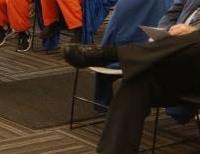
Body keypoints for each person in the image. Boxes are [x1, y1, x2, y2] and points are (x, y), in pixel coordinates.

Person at [63, 30, 200, 154]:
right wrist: (166, 35)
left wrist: (193, 31)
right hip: (184, 68)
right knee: (139, 77)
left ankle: (112, 54)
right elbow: (172, 15)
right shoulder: (188, 0)